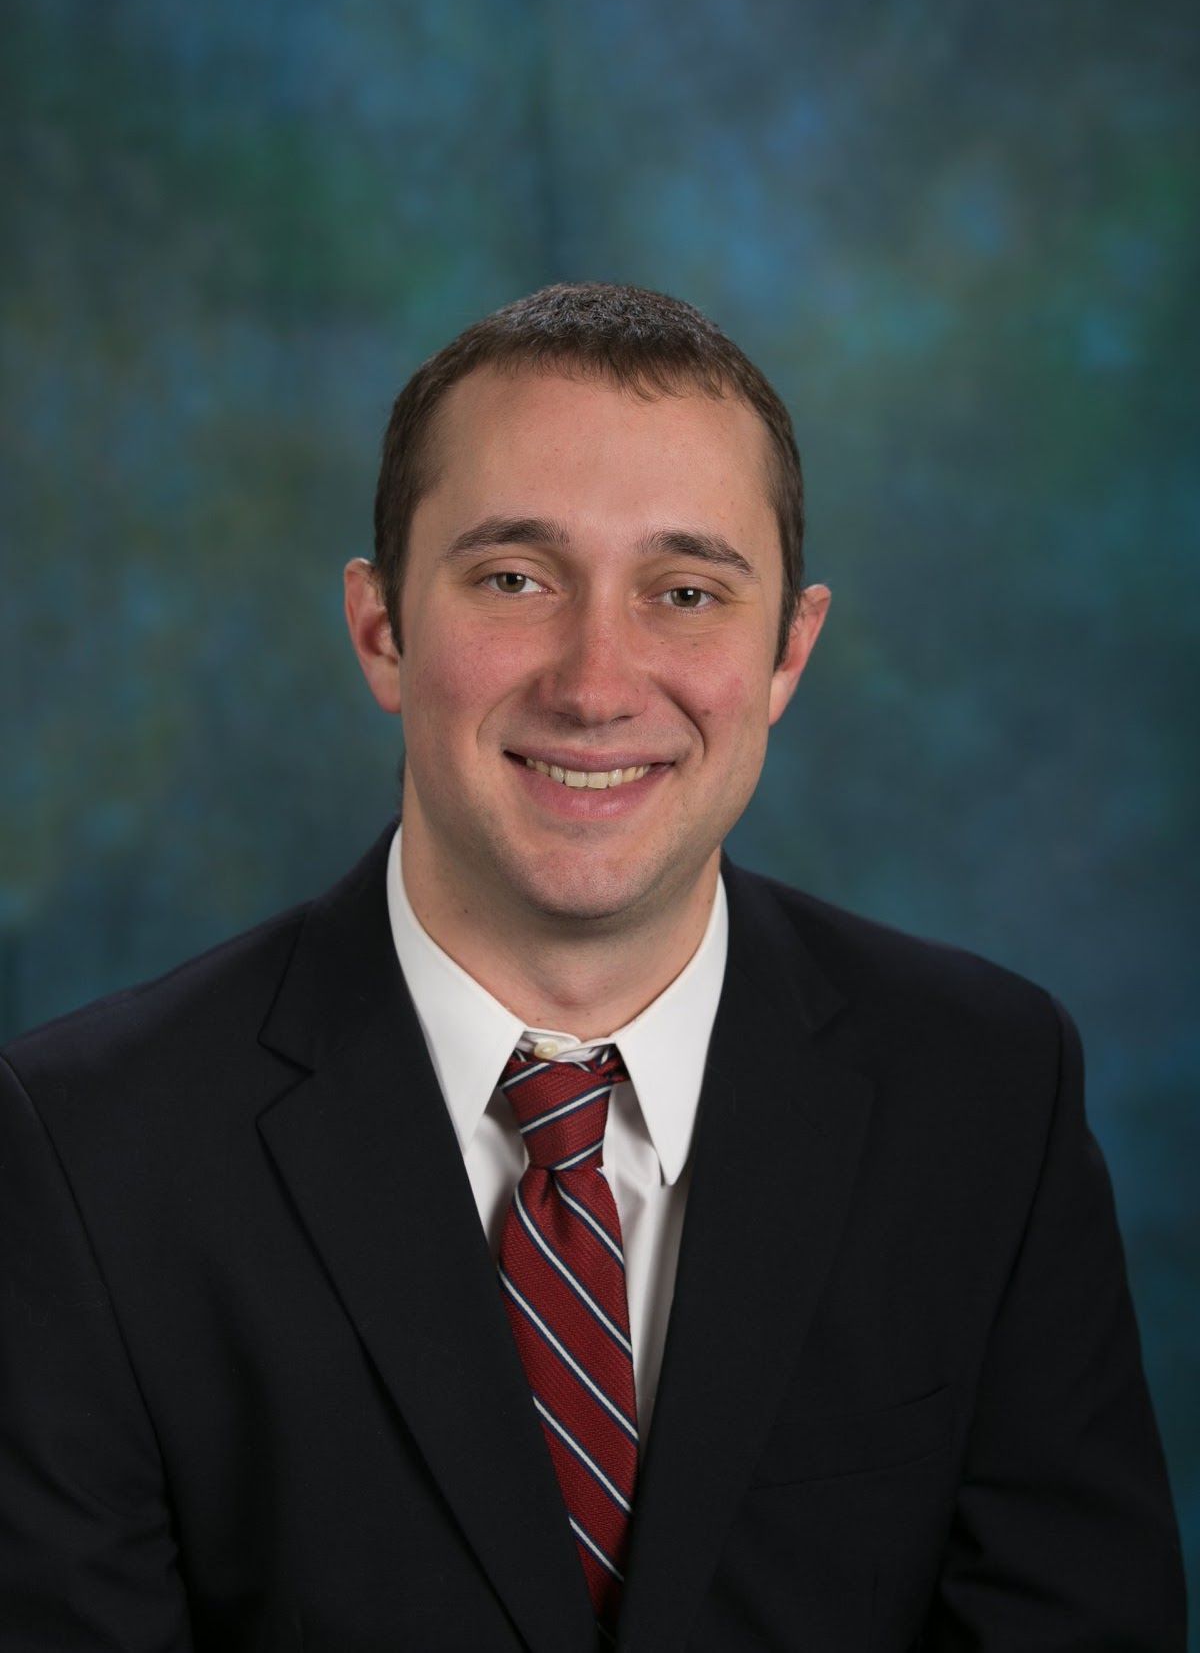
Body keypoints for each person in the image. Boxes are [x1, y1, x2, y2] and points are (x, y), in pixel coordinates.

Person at [0, 283, 1185, 1652]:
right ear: (381, 628)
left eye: (686, 593)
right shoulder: (86, 1153)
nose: (597, 680)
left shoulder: (984, 1098)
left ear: (787, 651)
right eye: (515, 579)